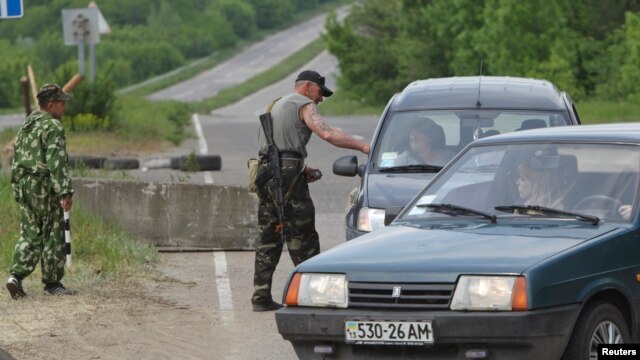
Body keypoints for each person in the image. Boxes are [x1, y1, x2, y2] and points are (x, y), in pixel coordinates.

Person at [252, 70, 370, 311]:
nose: (321, 99)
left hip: (266, 175)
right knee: (302, 233)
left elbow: (275, 148)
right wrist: (363, 146)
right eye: (319, 92)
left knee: (271, 233)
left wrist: (299, 170)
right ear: (306, 86)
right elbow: (327, 133)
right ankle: (313, 294)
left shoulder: (275, 104)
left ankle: (260, 296)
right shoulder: (302, 103)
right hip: (286, 175)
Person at [6, 84, 76, 299]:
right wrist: (65, 192)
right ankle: (53, 283)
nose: (64, 107)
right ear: (51, 104)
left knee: (29, 233)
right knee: (53, 232)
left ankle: (16, 276)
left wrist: (17, 187)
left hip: (25, 184)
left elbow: (17, 157)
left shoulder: (28, 124)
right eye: (61, 103)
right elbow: (56, 163)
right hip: (44, 187)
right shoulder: (53, 127)